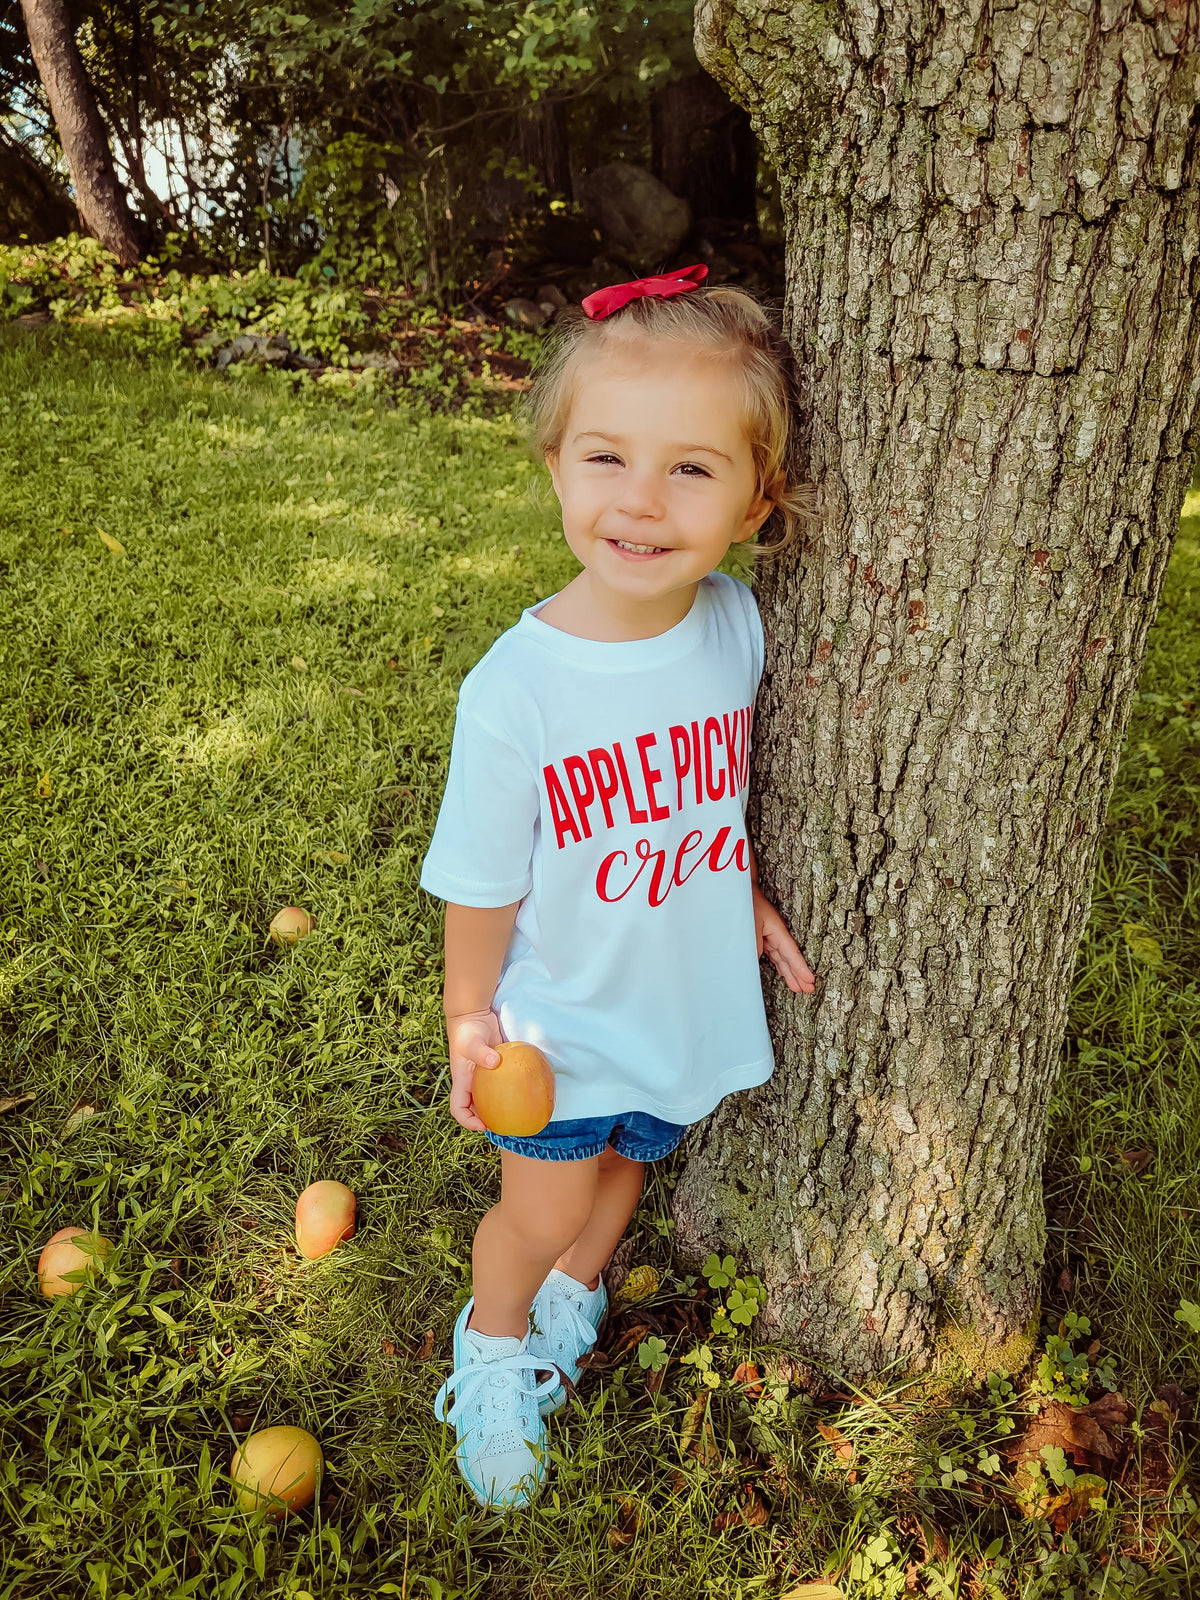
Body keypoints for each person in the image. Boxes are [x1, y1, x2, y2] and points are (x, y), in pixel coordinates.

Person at [419, 263, 817, 1510]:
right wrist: (469, 1014)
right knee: (537, 1208)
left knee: (634, 1161)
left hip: (677, 996)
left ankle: (573, 1298)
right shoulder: (518, 690)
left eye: (692, 469)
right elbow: (481, 881)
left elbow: (709, 798)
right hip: (562, 1019)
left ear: (758, 502)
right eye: (607, 459)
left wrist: (739, 890)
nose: (642, 502)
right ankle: (492, 1345)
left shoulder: (740, 628)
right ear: (553, 466)